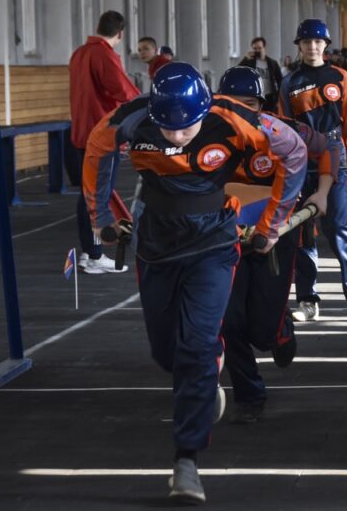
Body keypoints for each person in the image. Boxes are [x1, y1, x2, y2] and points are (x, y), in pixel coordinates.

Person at [82, 62, 306, 504]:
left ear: (204, 111)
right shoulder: (132, 117)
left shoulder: (235, 118)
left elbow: (295, 152)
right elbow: (96, 148)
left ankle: (186, 460)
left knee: (196, 348)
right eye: (168, 128)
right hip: (156, 247)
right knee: (167, 354)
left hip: (213, 246)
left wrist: (272, 223)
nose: (177, 137)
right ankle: (203, 378)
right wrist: (101, 216)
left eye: (186, 128)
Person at [215, 66, 338, 424]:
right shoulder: (205, 136)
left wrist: (323, 191)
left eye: (250, 104)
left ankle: (279, 328)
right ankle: (250, 396)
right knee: (229, 321)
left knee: (262, 330)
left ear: (262, 104)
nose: (241, 112)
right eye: (233, 104)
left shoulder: (283, 131)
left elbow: (328, 146)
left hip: (276, 237)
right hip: (225, 239)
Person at [279, 19, 347, 321]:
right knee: (302, 233)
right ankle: (307, 301)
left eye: (317, 42)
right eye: (306, 42)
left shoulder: (341, 76)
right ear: (299, 45)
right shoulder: (290, 82)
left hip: (335, 159)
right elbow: (283, 129)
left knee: (339, 229)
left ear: (326, 45)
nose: (312, 47)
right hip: (300, 162)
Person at [68, 10, 140, 274]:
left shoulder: (79, 53)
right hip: (101, 135)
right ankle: (94, 254)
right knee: (97, 195)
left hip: (80, 130)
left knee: (88, 193)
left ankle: (90, 252)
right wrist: (146, 107)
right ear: (120, 33)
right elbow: (124, 90)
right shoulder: (104, 55)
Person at [238, 37, 283, 112]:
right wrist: (245, 58)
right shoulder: (249, 62)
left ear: (264, 48)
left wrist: (278, 98)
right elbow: (237, 71)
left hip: (269, 97)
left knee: (269, 116)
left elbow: (280, 81)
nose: (257, 50)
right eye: (255, 48)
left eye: (259, 48)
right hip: (255, 96)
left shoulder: (272, 63)